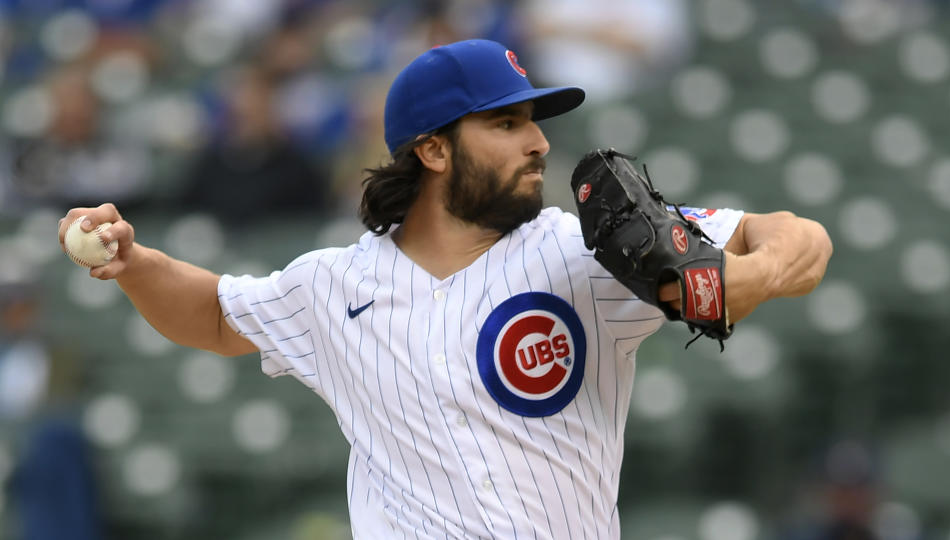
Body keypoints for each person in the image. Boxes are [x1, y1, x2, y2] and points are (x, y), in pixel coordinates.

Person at [57, 39, 833, 538]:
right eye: (506, 123)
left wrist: (735, 279)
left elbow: (802, 239)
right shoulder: (335, 285)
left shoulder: (581, 251)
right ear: (431, 149)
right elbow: (216, 316)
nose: (538, 140)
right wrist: (135, 263)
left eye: (534, 120)